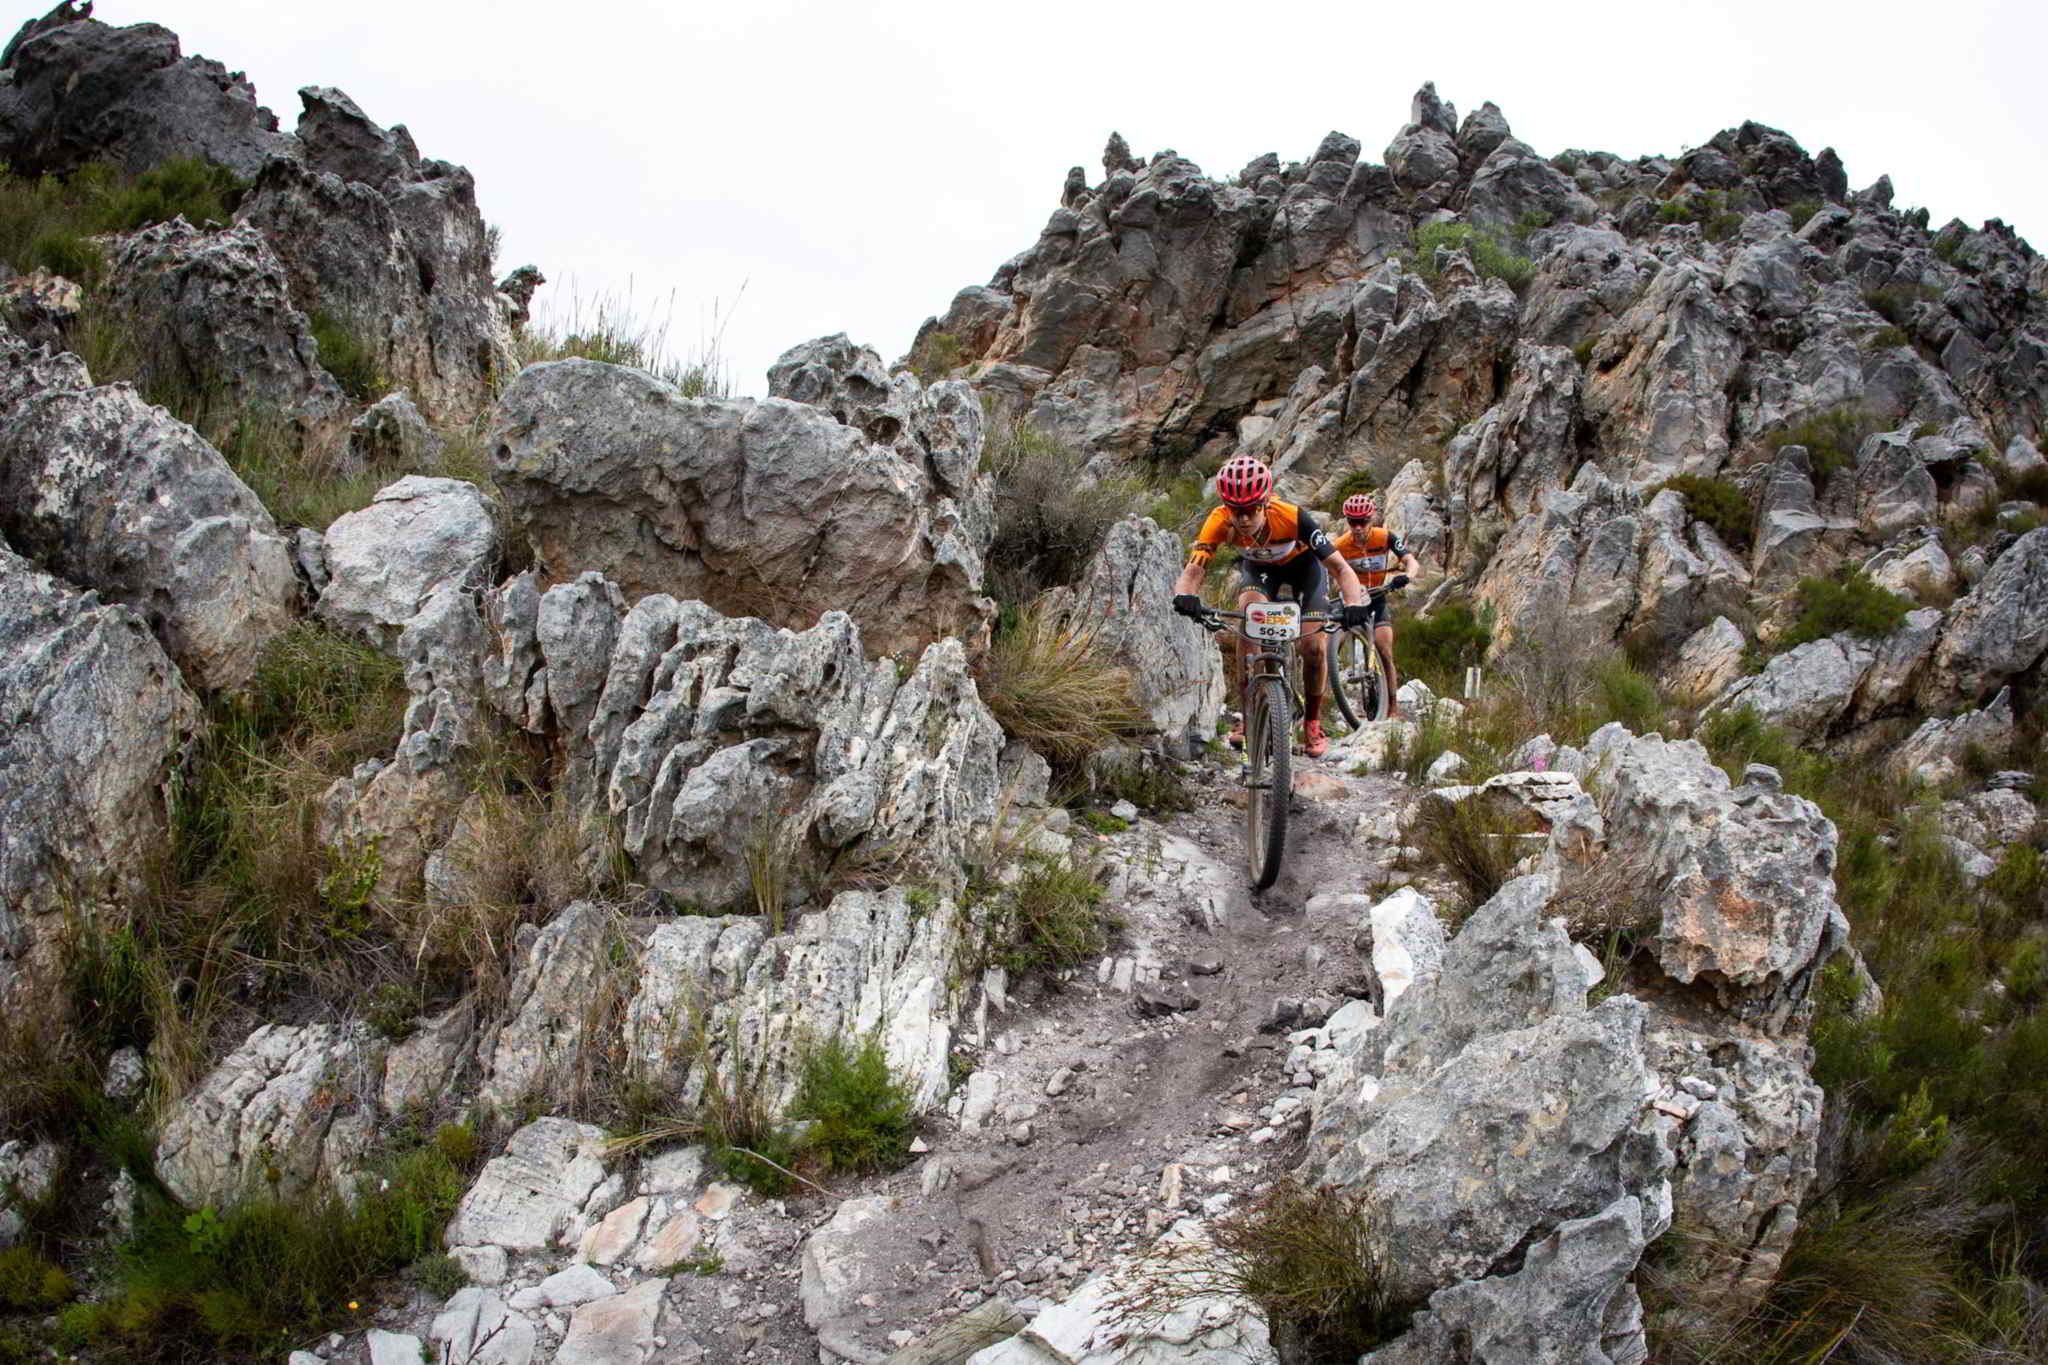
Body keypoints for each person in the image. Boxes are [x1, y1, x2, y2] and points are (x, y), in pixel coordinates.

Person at [1169, 455, 1372, 758]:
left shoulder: (1291, 516)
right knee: (1247, 626)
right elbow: (1194, 570)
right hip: (1260, 573)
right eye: (1236, 511)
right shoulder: (1218, 520)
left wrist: (1353, 604)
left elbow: (1342, 570)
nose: (1243, 519)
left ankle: (1313, 723)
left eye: (1250, 510)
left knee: (1313, 646)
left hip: (1306, 571)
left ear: (1264, 503)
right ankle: (1250, 717)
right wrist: (1185, 596)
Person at [1330, 493, 1421, 718]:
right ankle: (1321, 707)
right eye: (1352, 522)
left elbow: (1411, 561)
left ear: (1372, 519)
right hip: (1350, 601)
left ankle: (1392, 708)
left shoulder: (1385, 537)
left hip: (1377, 598)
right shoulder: (1339, 545)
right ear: (1346, 521)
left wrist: (1407, 576)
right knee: (1329, 648)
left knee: (1385, 650)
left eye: (1363, 521)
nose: (1358, 527)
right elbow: (1326, 572)